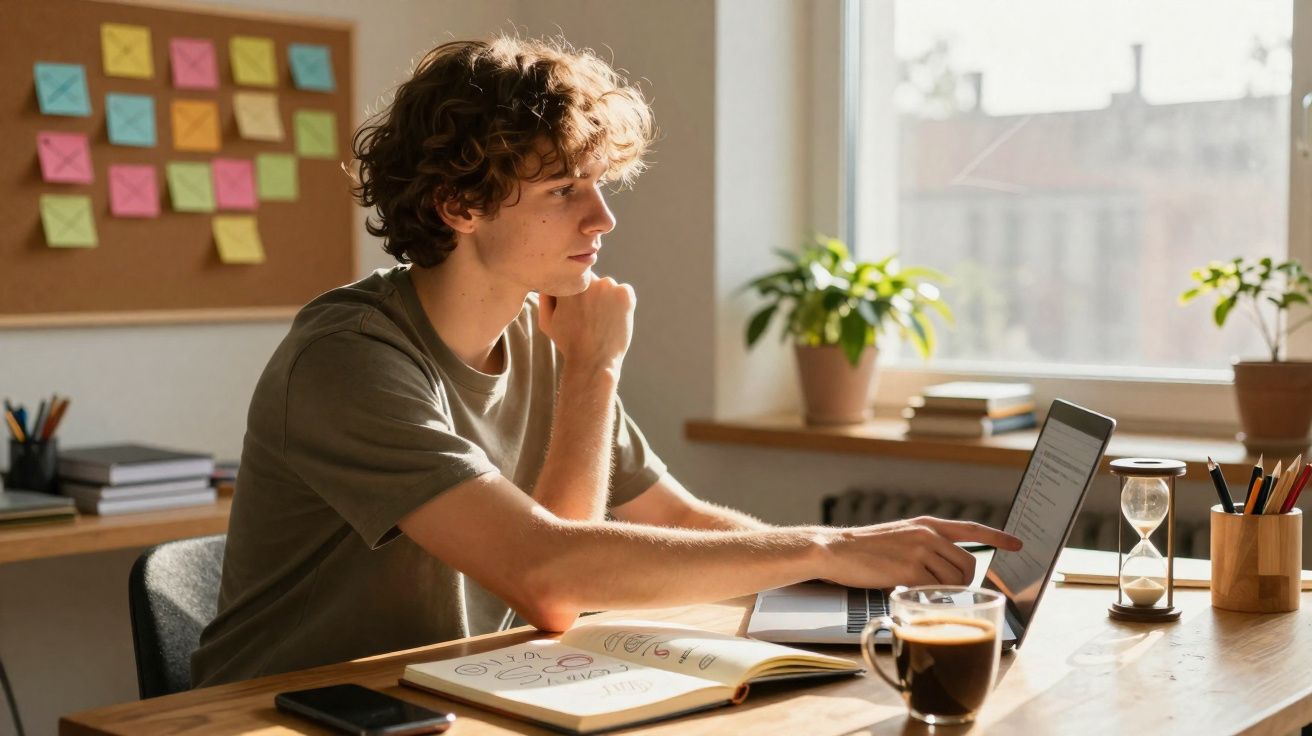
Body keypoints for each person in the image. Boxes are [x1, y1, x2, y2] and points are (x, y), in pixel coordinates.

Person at [191, 34, 1020, 687]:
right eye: (564, 191)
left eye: (599, 184)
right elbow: (553, 580)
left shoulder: (538, 330)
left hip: (452, 695)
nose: (603, 218)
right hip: (285, 718)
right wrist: (594, 373)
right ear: (459, 205)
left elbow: (678, 521)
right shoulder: (350, 359)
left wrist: (863, 577)